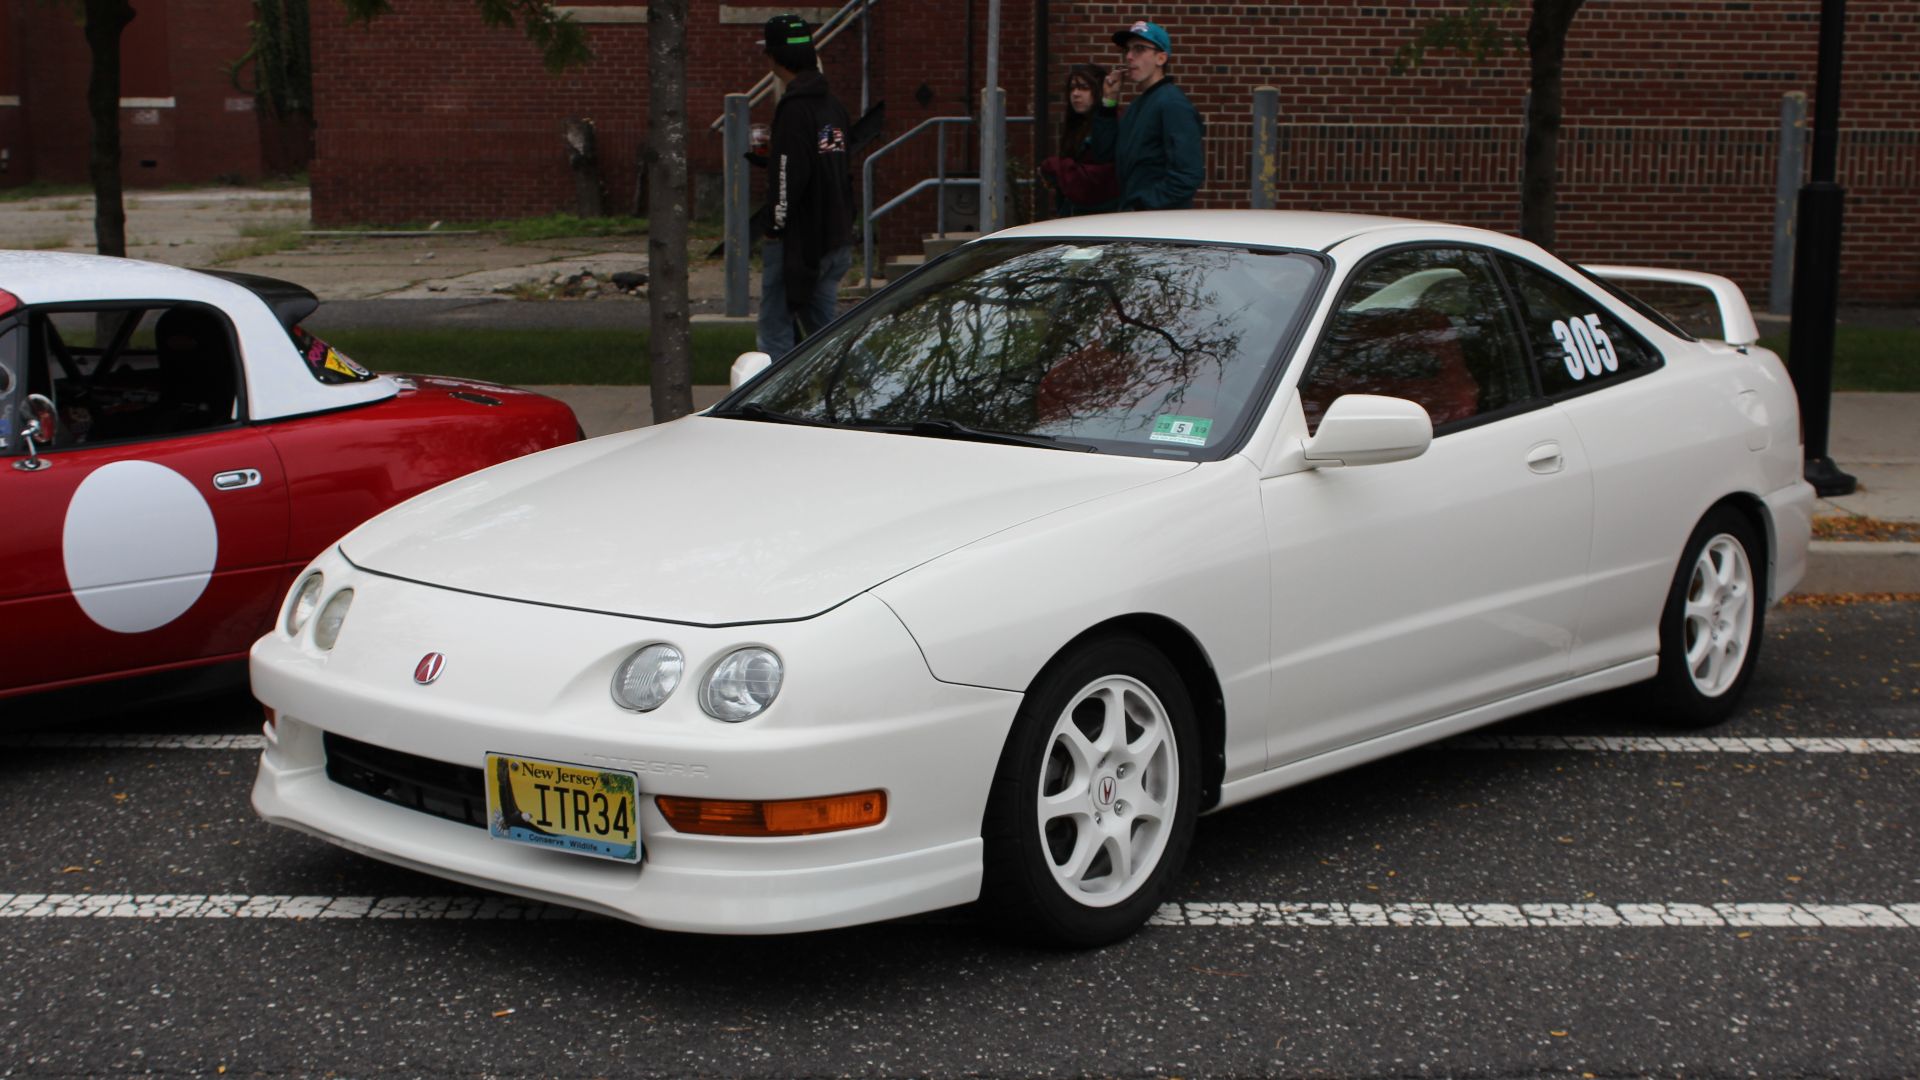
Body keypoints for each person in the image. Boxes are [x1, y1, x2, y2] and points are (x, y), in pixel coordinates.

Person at [756, 14, 855, 358]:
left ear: (773, 57)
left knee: (774, 331)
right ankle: (866, 379)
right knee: (826, 332)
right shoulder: (832, 107)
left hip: (800, 243)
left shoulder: (794, 110)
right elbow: (832, 164)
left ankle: (773, 390)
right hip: (835, 237)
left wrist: (774, 227)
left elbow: (788, 176)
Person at [1091, 20, 1205, 211]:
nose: (1129, 56)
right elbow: (1103, 154)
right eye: (1127, 50)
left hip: (1158, 223)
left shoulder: (1172, 104)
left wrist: (1141, 206)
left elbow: (1187, 175)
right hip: (1138, 219)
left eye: (1139, 49)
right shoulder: (1138, 106)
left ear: (1161, 58)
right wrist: (1109, 102)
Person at [1039, 64, 1120, 217]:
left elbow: (1095, 178)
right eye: (1072, 88)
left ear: (1098, 90)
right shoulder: (1076, 126)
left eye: (1084, 88)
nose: (1076, 94)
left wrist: (1055, 167)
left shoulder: (1108, 125)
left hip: (1100, 215)